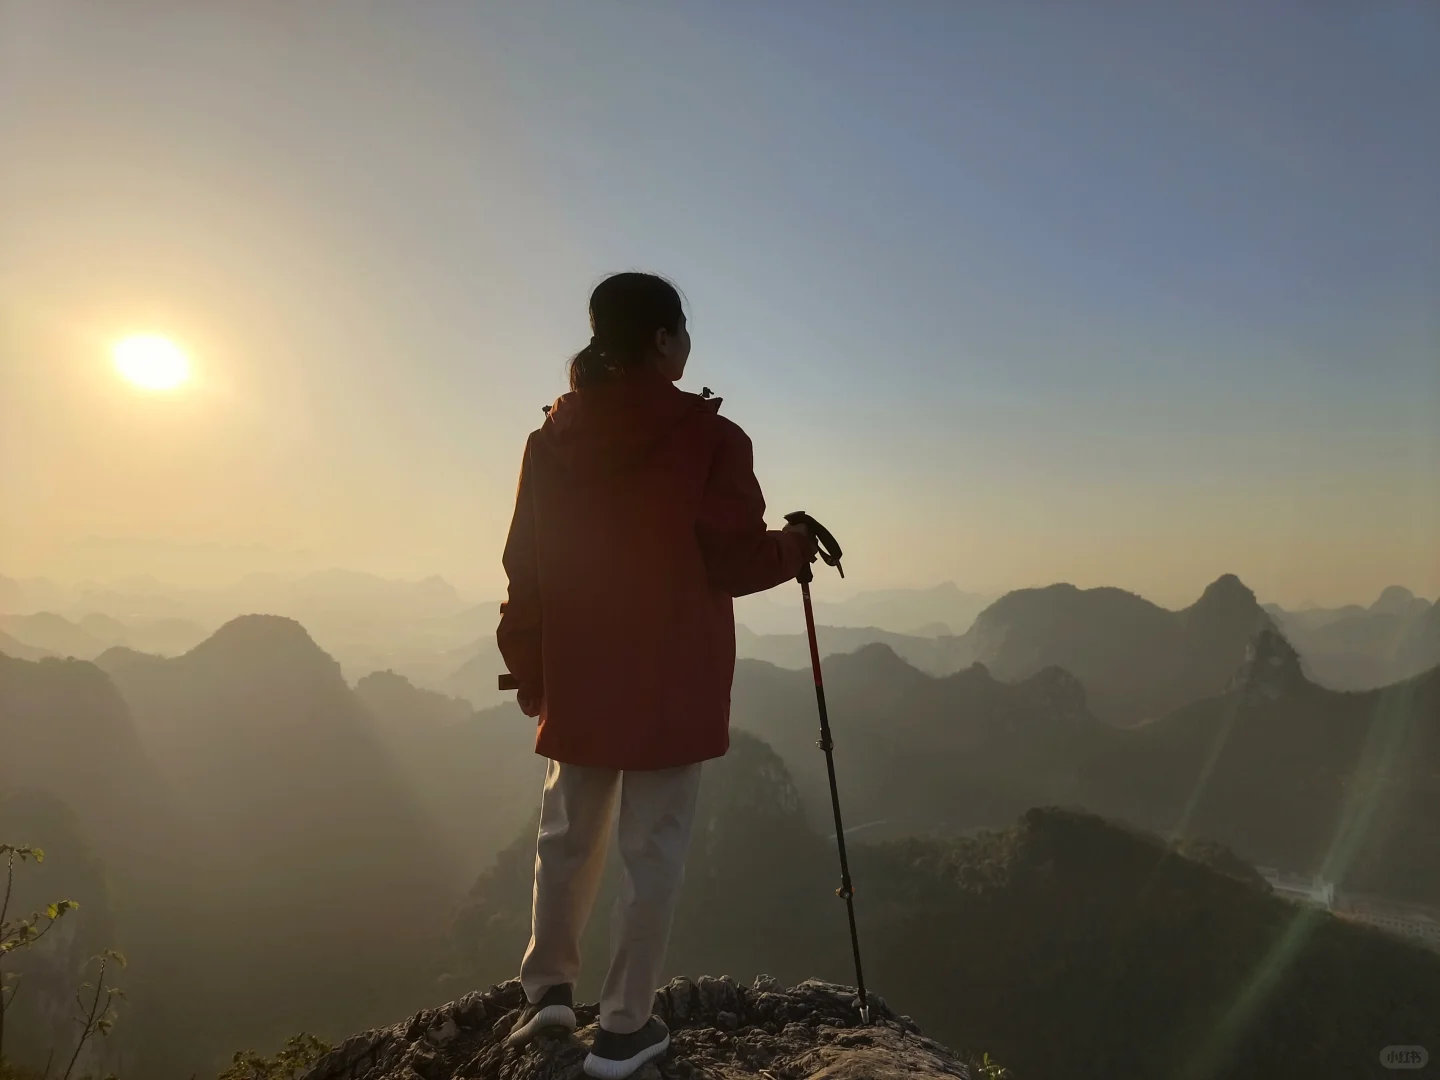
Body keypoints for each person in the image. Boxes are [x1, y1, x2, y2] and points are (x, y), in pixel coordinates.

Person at [495, 272, 817, 1078]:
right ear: (668, 339)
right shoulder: (713, 439)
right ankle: (625, 1029)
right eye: (684, 330)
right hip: (673, 677)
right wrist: (798, 545)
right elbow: (737, 561)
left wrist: (529, 669)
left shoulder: (552, 439)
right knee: (653, 852)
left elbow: (524, 567)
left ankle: (548, 996)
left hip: (579, 675)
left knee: (566, 835)